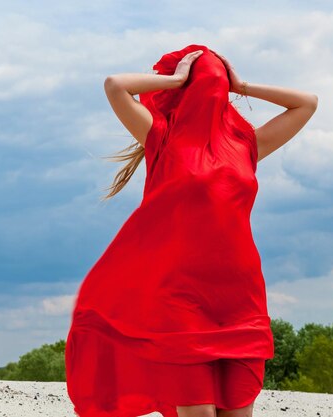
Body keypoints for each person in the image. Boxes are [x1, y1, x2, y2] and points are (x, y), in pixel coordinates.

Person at [65, 44, 318, 417]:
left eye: (216, 80)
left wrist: (243, 85)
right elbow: (115, 85)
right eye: (205, 80)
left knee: (237, 411)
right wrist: (177, 79)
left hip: (240, 298)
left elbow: (307, 103)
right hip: (180, 299)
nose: (211, 88)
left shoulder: (246, 144)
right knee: (197, 412)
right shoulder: (161, 137)